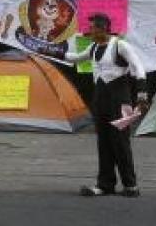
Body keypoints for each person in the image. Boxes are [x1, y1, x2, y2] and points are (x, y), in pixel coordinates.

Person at [64, 12, 149, 197]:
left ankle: (130, 185)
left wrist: (142, 95)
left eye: (93, 27)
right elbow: (75, 58)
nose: (90, 31)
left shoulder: (120, 45)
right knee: (103, 142)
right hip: (100, 99)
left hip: (119, 100)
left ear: (103, 28)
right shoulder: (94, 47)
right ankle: (105, 185)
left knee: (120, 142)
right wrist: (53, 50)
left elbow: (138, 67)